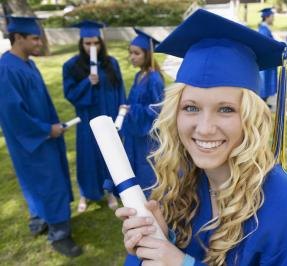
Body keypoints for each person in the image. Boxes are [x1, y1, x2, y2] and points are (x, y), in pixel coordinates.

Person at [115, 9, 287, 266]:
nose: (204, 128)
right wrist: (158, 241)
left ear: (251, 118)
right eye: (191, 107)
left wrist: (184, 264)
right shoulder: (182, 186)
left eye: (226, 109)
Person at [0, 16, 82, 257]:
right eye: (35, 38)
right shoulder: (6, 70)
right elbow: (13, 115)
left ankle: (40, 220)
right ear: (18, 38)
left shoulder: (27, 63)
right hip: (32, 141)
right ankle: (59, 235)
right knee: (48, 183)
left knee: (39, 183)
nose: (40, 43)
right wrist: (47, 129)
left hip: (43, 136)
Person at [63, 20, 125, 212]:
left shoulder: (111, 63)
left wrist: (121, 114)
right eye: (87, 43)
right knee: (88, 157)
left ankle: (109, 192)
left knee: (109, 155)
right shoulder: (71, 66)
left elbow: (120, 89)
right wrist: (87, 83)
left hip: (109, 116)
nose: (92, 47)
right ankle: (86, 193)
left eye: (95, 43)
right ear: (81, 44)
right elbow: (70, 94)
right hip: (87, 118)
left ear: (101, 42)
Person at [120, 29, 164, 196]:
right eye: (130, 53)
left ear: (148, 54)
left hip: (147, 135)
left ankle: (151, 199)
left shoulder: (154, 79)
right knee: (135, 166)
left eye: (136, 53)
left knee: (147, 169)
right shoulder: (140, 75)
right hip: (136, 132)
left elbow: (158, 109)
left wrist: (133, 110)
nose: (132, 57)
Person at [258, 8, 277, 107]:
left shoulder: (265, 28)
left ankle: (264, 102)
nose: (273, 19)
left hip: (269, 60)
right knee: (264, 82)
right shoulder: (263, 30)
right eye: (272, 17)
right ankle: (262, 103)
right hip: (266, 60)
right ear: (267, 17)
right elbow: (265, 45)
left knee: (267, 81)